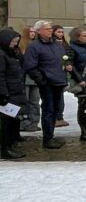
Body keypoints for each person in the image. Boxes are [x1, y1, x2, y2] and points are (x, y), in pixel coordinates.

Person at [23, 21, 70, 149]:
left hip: (59, 81)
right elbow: (30, 66)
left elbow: (62, 60)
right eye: (47, 29)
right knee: (48, 110)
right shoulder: (34, 46)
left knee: (55, 110)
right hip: (47, 83)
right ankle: (47, 138)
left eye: (50, 28)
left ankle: (51, 135)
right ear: (39, 31)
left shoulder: (57, 44)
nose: (50, 30)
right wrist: (42, 80)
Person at [0, 28, 27, 160]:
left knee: (12, 122)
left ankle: (11, 145)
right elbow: (1, 76)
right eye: (13, 41)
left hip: (15, 92)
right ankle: (5, 148)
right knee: (6, 123)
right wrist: (3, 93)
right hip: (8, 95)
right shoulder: (2, 54)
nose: (15, 44)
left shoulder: (11, 53)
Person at [18, 26, 40, 133]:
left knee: (35, 101)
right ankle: (24, 123)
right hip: (24, 77)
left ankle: (34, 122)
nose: (33, 34)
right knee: (25, 101)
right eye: (30, 32)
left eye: (34, 32)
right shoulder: (21, 46)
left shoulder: (37, 44)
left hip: (35, 77)